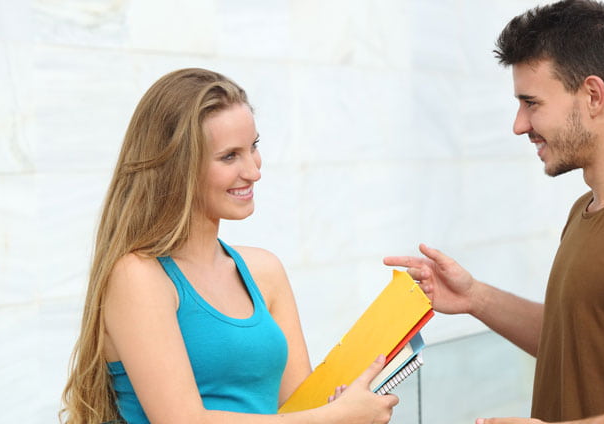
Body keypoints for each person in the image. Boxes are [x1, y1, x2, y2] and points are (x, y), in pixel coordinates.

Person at [384, 1, 604, 423]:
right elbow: (578, 344)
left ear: (593, 95)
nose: (519, 124)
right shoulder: (587, 210)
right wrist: (475, 298)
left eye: (531, 103)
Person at [60, 68, 398, 424]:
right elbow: (182, 421)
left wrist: (344, 407)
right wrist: (333, 419)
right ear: (178, 168)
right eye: (229, 156)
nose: (253, 171)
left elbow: (300, 407)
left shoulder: (265, 271)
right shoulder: (137, 276)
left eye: (253, 147)